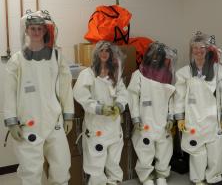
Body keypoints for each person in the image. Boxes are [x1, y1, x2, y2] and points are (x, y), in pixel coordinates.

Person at [3, 10, 74, 185]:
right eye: (32, 28)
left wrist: (68, 115)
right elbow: (9, 93)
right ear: (26, 31)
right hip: (29, 123)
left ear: (45, 31)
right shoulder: (17, 60)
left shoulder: (57, 58)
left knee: (61, 167)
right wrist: (11, 122)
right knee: (31, 171)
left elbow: (65, 88)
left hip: (54, 121)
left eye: (39, 29)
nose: (36, 32)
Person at [174, 31, 222, 185]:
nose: (198, 51)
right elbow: (179, 96)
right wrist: (180, 117)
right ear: (191, 51)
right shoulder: (184, 72)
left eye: (201, 48)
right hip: (194, 117)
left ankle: (214, 178)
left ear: (208, 50)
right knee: (197, 151)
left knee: (216, 151)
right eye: (195, 48)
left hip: (213, 118)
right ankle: (198, 179)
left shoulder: (218, 70)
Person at [73, 41, 128, 185]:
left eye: (107, 51)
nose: (104, 53)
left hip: (113, 125)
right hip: (96, 124)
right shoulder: (88, 74)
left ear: (111, 54)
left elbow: (123, 93)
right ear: (96, 53)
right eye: (101, 50)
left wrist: (119, 106)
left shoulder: (115, 74)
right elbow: (81, 95)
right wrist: (99, 108)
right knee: (96, 159)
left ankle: (114, 181)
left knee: (114, 159)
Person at [128, 42, 177, 185]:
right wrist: (135, 118)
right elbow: (132, 96)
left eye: (158, 55)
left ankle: (161, 174)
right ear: (148, 56)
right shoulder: (138, 74)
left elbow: (172, 98)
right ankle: (146, 176)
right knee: (145, 146)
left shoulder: (167, 75)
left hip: (162, 119)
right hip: (145, 118)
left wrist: (170, 116)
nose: (155, 58)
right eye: (153, 55)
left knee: (164, 146)